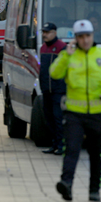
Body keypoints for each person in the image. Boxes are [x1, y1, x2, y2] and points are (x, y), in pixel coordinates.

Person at [50, 19, 101, 202]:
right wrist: (66, 55)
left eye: (88, 36)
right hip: (74, 113)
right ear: (75, 38)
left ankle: (94, 190)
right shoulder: (69, 55)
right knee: (72, 149)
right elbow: (54, 73)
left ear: (93, 36)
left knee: (95, 153)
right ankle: (66, 184)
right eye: (81, 37)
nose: (85, 40)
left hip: (98, 114)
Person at [39, 22, 67, 155]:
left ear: (54, 33)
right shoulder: (43, 48)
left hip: (59, 90)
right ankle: (54, 144)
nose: (44, 35)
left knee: (58, 118)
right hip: (46, 89)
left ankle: (61, 145)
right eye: (43, 32)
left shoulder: (62, 48)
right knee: (48, 117)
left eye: (47, 32)